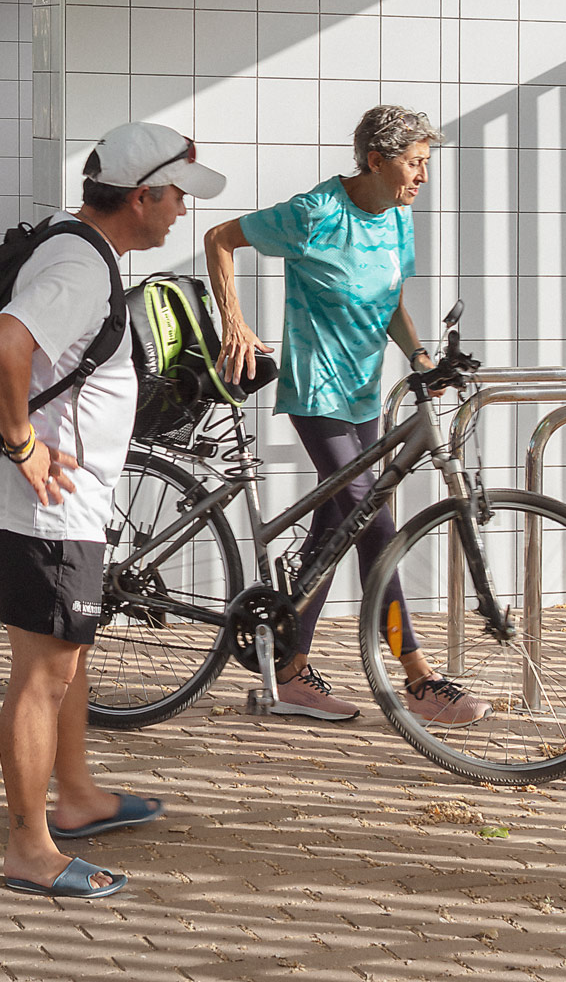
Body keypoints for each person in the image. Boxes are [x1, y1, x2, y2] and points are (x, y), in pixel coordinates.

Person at [0, 122, 227, 900]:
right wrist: (25, 446)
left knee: (68, 660)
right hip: (44, 507)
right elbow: (2, 345)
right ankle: (29, 849)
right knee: (41, 674)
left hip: (65, 505)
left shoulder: (78, 244)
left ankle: (77, 795)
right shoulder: (80, 269)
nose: (183, 210)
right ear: (142, 194)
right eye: (178, 195)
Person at [204, 102, 487, 726]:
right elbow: (219, 239)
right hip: (317, 392)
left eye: (426, 165)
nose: (423, 177)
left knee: (336, 527)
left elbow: (390, 302)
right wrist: (236, 321)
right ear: (375, 160)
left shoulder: (396, 219)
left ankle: (289, 670)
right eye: (414, 164)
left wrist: (418, 356)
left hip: (363, 394)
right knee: (373, 521)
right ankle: (417, 676)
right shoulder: (315, 214)